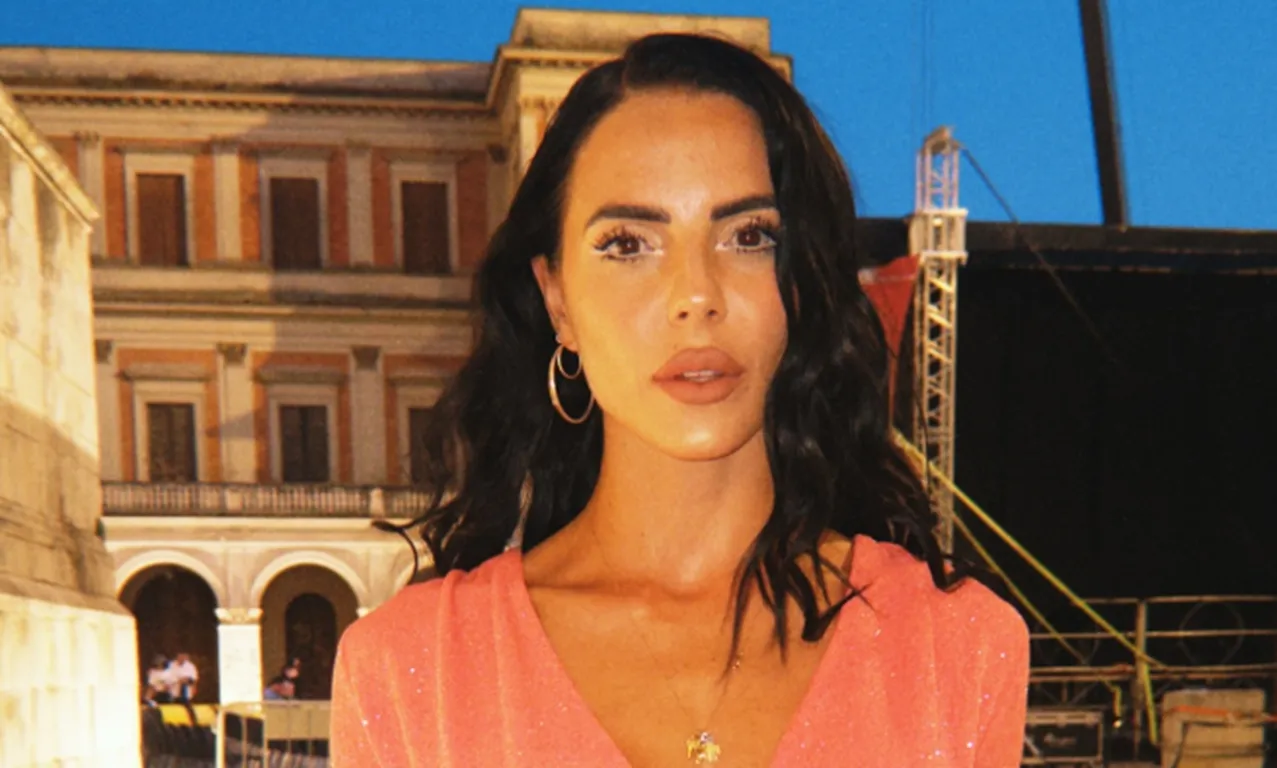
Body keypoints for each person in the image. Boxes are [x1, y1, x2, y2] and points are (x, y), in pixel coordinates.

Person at [331, 32, 1029, 767]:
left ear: (804, 282)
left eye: (749, 236)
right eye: (628, 244)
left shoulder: (955, 649)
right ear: (557, 299)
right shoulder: (410, 672)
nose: (696, 295)